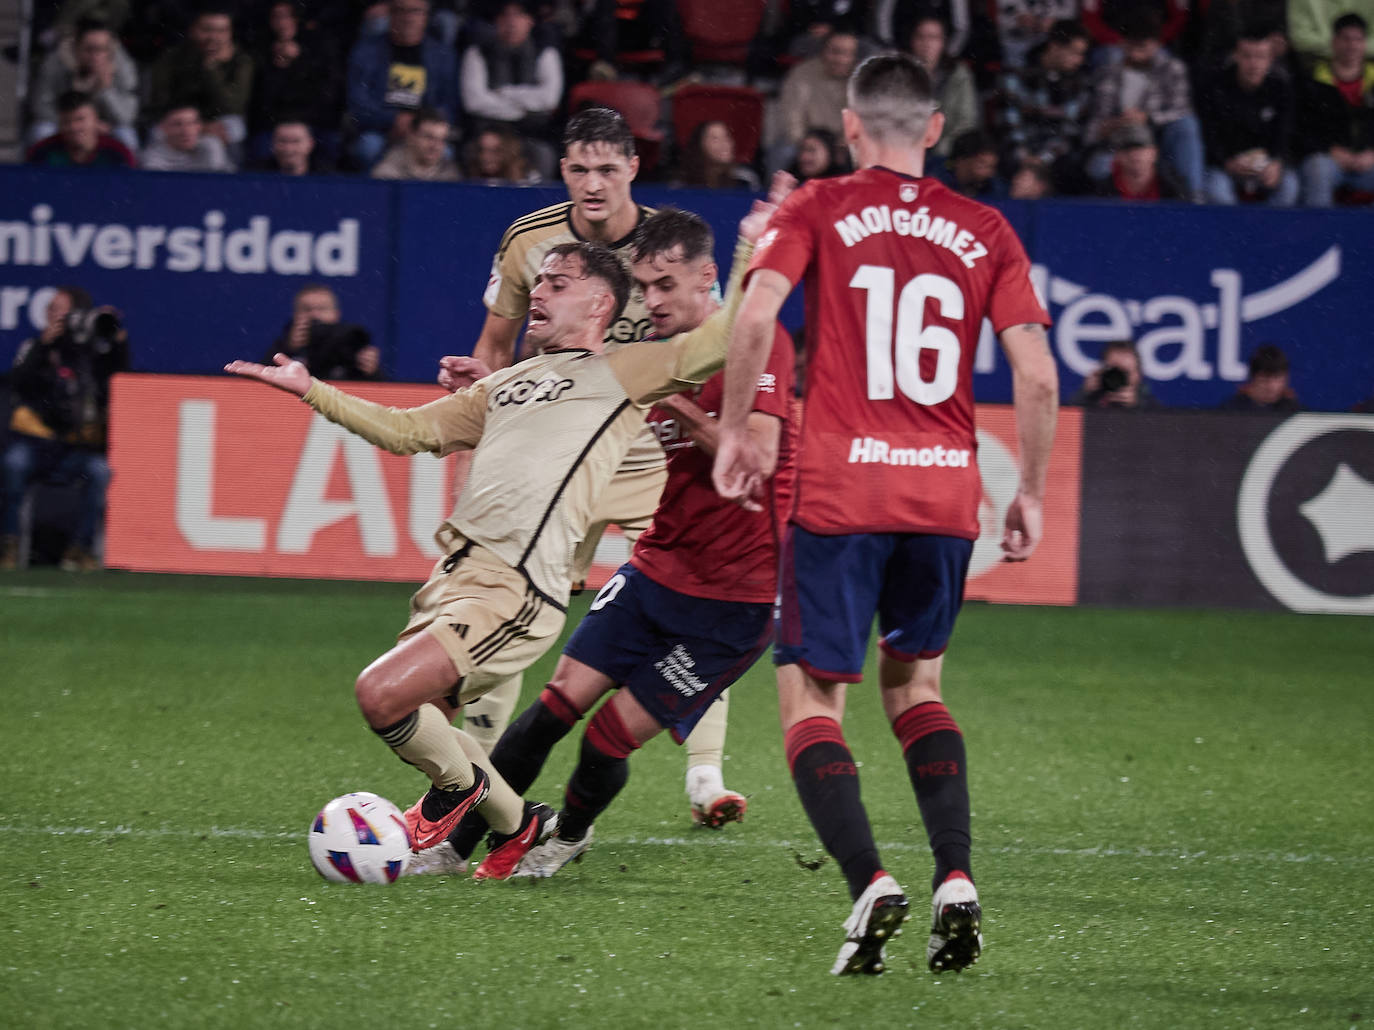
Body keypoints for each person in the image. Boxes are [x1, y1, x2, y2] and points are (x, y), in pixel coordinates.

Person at [225, 196, 773, 881]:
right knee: (424, 717)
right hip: (450, 580)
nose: (535, 293)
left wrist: (751, 251)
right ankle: (495, 824)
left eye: (556, 283)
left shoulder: (624, 373)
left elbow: (724, 340)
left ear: (602, 305)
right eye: (537, 280)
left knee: (383, 697)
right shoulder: (508, 383)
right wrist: (314, 390)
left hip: (515, 590)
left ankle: (485, 811)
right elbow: (410, 432)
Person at [712, 53, 1059, 977]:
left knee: (809, 696)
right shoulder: (985, 227)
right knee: (918, 689)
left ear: (853, 124)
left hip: (839, 489)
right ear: (936, 130)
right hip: (946, 495)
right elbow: (1037, 371)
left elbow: (755, 319)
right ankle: (956, 877)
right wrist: (1028, 488)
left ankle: (869, 881)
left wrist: (738, 429)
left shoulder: (817, 205)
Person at [418, 206, 797, 879]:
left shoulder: (758, 344)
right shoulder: (649, 359)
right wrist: (489, 396)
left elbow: (755, 461)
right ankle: (456, 845)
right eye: (643, 286)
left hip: (732, 602)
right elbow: (561, 411)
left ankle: (569, 835)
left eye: (665, 286)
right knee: (552, 707)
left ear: (709, 279)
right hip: (656, 571)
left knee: (607, 737)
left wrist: (673, 397)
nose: (649, 302)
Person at [459, 106, 750, 824]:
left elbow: (715, 340)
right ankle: (466, 776)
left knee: (696, 587)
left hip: (650, 447)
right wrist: (485, 403)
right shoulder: (529, 241)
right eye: (580, 168)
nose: (593, 183)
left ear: (632, 170)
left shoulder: (661, 249)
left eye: (608, 169)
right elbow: (496, 343)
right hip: (560, 449)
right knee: (518, 600)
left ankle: (705, 776)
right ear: (563, 170)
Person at [2, 286, 130, 572]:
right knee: (13, 463)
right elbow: (19, 385)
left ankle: (79, 549)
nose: (52, 314)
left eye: (60, 309)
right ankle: (9, 544)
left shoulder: (92, 352)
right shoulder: (35, 347)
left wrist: (115, 337)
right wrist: (44, 347)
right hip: (37, 443)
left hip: (74, 448)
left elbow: (118, 379)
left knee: (100, 472)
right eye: (50, 308)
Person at [1084, 8, 1206, 202]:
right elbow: (1095, 125)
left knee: (1187, 126)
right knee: (1099, 167)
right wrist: (1116, 123)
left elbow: (1181, 109)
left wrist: (1148, 117)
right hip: (1120, 141)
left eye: (1143, 46)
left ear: (1156, 45)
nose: (1136, 53)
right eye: (1131, 46)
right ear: (1122, 44)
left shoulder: (1172, 68)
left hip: (1159, 138)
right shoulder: (1109, 73)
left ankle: (1194, 198)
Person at [345, 0, 460, 170]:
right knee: (367, 148)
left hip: (426, 130)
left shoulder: (443, 55)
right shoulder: (366, 51)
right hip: (379, 130)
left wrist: (420, 125)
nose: (408, 18)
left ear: (426, 16)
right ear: (390, 14)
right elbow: (357, 102)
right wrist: (392, 120)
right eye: (401, 10)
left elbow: (449, 104)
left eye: (415, 11)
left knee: (446, 153)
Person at [459, 0, 563, 175]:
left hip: (530, 134)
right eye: (505, 15)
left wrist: (504, 93)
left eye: (518, 15)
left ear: (530, 21)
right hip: (487, 133)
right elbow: (474, 101)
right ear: (496, 22)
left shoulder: (545, 52)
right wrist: (521, 110)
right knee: (471, 151)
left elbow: (549, 98)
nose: (511, 22)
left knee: (545, 154)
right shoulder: (478, 52)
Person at [1199, 28, 1300, 205]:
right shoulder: (1216, 87)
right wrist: (1227, 162)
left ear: (1270, 60)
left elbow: (1285, 133)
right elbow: (1209, 133)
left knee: (1289, 185)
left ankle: (1271, 232)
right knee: (1217, 191)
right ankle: (1232, 233)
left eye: (1260, 56)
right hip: (1225, 167)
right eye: (1247, 56)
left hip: (1266, 167)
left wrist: (1277, 162)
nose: (1253, 63)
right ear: (1236, 56)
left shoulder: (1280, 89)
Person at [993, 19, 1093, 194]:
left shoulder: (1079, 83)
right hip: (1014, 157)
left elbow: (1070, 131)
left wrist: (1042, 160)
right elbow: (1009, 123)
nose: (1079, 60)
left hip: (1056, 162)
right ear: (1054, 47)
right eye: (1075, 53)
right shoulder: (1016, 73)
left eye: (1082, 54)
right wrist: (1024, 158)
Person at [146, 5, 254, 160]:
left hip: (218, 121)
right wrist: (197, 126)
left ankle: (230, 177)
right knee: (156, 132)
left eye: (222, 31)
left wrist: (211, 69)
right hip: (179, 119)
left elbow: (232, 106)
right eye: (207, 30)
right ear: (193, 30)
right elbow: (161, 99)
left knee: (235, 127)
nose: (214, 37)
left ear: (230, 33)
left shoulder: (241, 61)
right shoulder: (173, 57)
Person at [247, 0, 343, 165]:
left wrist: (299, 61)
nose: (282, 23)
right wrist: (277, 69)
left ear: (296, 19)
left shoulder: (319, 48)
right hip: (274, 122)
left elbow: (325, 93)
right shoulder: (260, 51)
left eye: (287, 17)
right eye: (276, 17)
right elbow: (261, 100)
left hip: (312, 120)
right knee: (261, 147)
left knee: (331, 145)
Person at [28, 18, 140, 152]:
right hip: (61, 123)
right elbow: (40, 106)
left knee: (126, 136)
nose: (95, 56)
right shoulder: (54, 63)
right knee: (42, 131)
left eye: (102, 49)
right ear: (76, 47)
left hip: (104, 126)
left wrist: (106, 89)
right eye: (89, 49)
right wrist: (71, 124)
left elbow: (126, 117)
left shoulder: (123, 67)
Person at [1299, 13, 1374, 207]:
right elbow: (1300, 129)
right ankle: (1318, 233)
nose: (1352, 45)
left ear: (1365, 43)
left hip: (1369, 163)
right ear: (1334, 42)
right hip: (1328, 160)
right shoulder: (1312, 80)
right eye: (1346, 38)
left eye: (1357, 39)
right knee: (1318, 168)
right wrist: (1330, 150)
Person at [770, 30, 861, 175]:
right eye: (835, 52)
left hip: (843, 143)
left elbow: (860, 119)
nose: (840, 59)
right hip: (806, 139)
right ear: (823, 51)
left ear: (855, 57)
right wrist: (809, 145)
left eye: (847, 53)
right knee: (782, 152)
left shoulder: (861, 79)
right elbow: (792, 118)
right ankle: (776, 195)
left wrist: (842, 144)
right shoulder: (801, 74)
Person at [907, 15, 980, 170]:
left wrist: (941, 150)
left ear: (943, 42)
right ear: (912, 41)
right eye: (921, 37)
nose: (927, 43)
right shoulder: (899, 73)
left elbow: (966, 121)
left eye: (933, 37)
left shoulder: (959, 74)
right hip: (905, 151)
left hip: (948, 155)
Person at [267, 285, 381, 381]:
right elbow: (261, 382)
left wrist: (373, 372)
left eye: (322, 309)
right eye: (307, 309)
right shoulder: (286, 346)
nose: (315, 315)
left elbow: (379, 396)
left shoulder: (350, 343)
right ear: (295, 314)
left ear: (336, 314)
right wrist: (288, 349)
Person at [25, 89, 136, 168]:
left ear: (96, 120)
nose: (74, 127)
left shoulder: (118, 154)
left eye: (80, 119)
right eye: (66, 121)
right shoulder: (42, 152)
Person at [1094, 124, 1188, 200]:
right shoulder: (1102, 191)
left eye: (1141, 147)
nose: (1134, 154)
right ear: (1117, 156)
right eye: (1127, 149)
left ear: (1154, 152)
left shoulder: (1175, 189)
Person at [370, 107, 461, 181]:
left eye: (442, 140)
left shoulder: (451, 176)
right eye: (428, 137)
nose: (436, 146)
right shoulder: (386, 176)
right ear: (411, 136)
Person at [140, 104, 235, 172]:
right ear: (162, 128)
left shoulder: (211, 146)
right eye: (177, 124)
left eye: (191, 123)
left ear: (199, 126)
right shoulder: (151, 158)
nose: (186, 131)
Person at [672, 120, 762, 191]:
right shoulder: (682, 185)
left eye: (726, 137)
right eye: (715, 139)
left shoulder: (745, 180)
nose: (724, 144)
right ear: (699, 145)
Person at [1068, 340, 1162, 406]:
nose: (1118, 377)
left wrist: (1138, 405)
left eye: (1125, 372)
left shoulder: (1151, 406)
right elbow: (1064, 422)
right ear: (1102, 371)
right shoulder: (1090, 399)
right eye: (1114, 371)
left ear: (1138, 375)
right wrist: (1084, 394)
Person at [1218, 343, 1300, 410]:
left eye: (1277, 379)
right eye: (1265, 380)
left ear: (1286, 378)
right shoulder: (1231, 410)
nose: (1271, 386)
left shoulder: (1297, 413)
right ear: (1253, 378)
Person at [463, 125, 542, 184]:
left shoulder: (529, 178)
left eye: (495, 151)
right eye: (481, 150)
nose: (485, 157)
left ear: (508, 151)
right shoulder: (467, 176)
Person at [943, 128, 1009, 197]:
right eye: (983, 165)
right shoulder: (937, 181)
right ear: (961, 162)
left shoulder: (996, 189)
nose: (990, 173)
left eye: (992, 167)